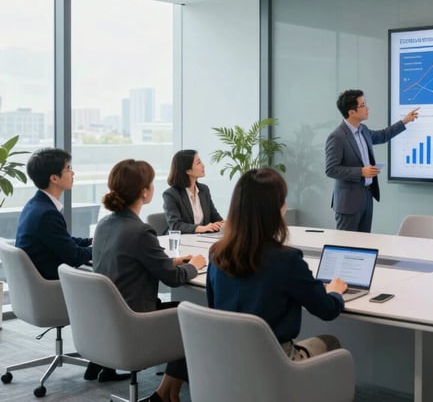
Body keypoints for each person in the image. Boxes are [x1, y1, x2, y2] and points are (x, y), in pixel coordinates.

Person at [93, 159, 206, 402]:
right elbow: (174, 279)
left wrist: (173, 261)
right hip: (135, 321)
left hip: (108, 319)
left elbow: (129, 261)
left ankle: (166, 393)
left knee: (184, 312)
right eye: (151, 183)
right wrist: (194, 266)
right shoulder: (140, 231)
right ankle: (166, 394)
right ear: (144, 192)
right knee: (193, 317)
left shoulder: (104, 224)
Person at [207, 167, 347, 360]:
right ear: (277, 209)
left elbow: (213, 307)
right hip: (276, 363)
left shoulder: (216, 254)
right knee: (330, 342)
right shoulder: (287, 260)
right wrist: (335, 293)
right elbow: (327, 309)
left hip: (229, 359)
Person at [14, 148, 128, 382]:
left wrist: (91, 241)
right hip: (50, 291)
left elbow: (62, 243)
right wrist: (104, 247)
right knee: (109, 294)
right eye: (68, 169)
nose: (73, 173)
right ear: (54, 178)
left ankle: (99, 363)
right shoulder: (47, 213)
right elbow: (73, 256)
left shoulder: (37, 205)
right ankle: (106, 362)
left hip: (36, 287)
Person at [325, 89, 419, 232]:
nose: (367, 108)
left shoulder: (363, 130)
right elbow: (331, 169)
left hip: (366, 197)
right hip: (348, 203)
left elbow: (382, 135)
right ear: (352, 112)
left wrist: (404, 121)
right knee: (346, 245)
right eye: (363, 105)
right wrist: (361, 172)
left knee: (364, 245)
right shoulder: (337, 137)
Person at [162, 149, 224, 234]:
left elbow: (215, 218)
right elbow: (175, 225)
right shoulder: (171, 194)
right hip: (180, 242)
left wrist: (222, 224)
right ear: (188, 171)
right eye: (198, 163)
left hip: (202, 240)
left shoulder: (204, 190)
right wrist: (203, 228)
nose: (203, 165)